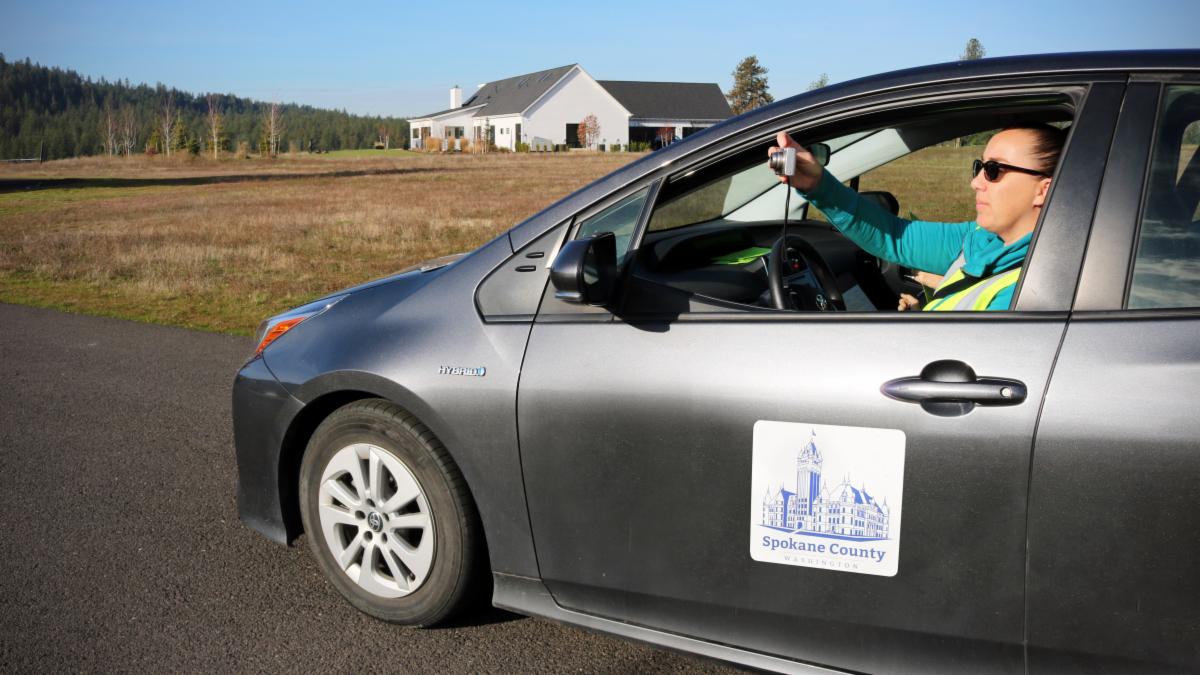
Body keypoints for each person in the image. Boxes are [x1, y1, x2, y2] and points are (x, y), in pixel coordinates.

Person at [770, 124, 1067, 311]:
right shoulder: (982, 238)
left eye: (994, 170)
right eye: (979, 167)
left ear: (1044, 190)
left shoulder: (1029, 291)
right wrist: (817, 184)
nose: (976, 182)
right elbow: (896, 237)